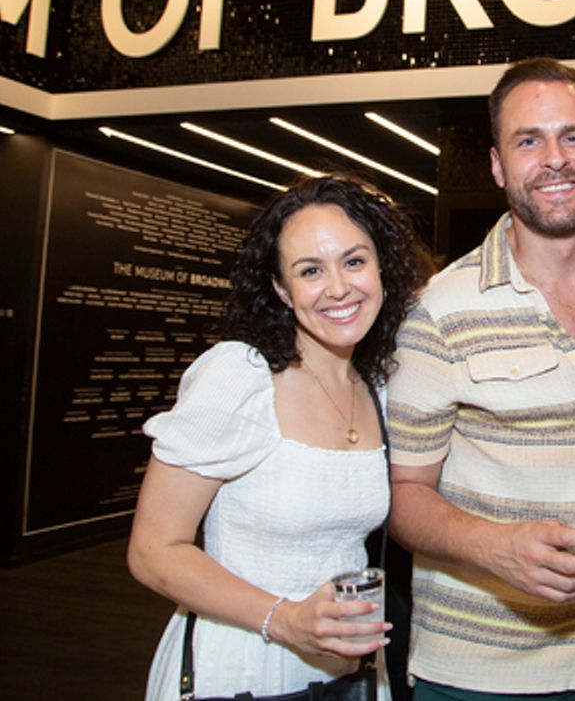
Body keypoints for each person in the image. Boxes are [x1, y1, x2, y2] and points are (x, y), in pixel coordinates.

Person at [386, 58, 575, 700]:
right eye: (529, 140)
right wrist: (496, 547)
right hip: (484, 668)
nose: (555, 159)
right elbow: (404, 495)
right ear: (496, 165)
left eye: (573, 137)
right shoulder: (440, 310)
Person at [128, 174, 432, 700]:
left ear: (383, 268)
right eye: (310, 270)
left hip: (349, 672)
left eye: (354, 261)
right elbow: (153, 550)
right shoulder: (239, 377)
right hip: (244, 661)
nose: (338, 287)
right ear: (281, 289)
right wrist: (287, 620)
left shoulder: (379, 386)